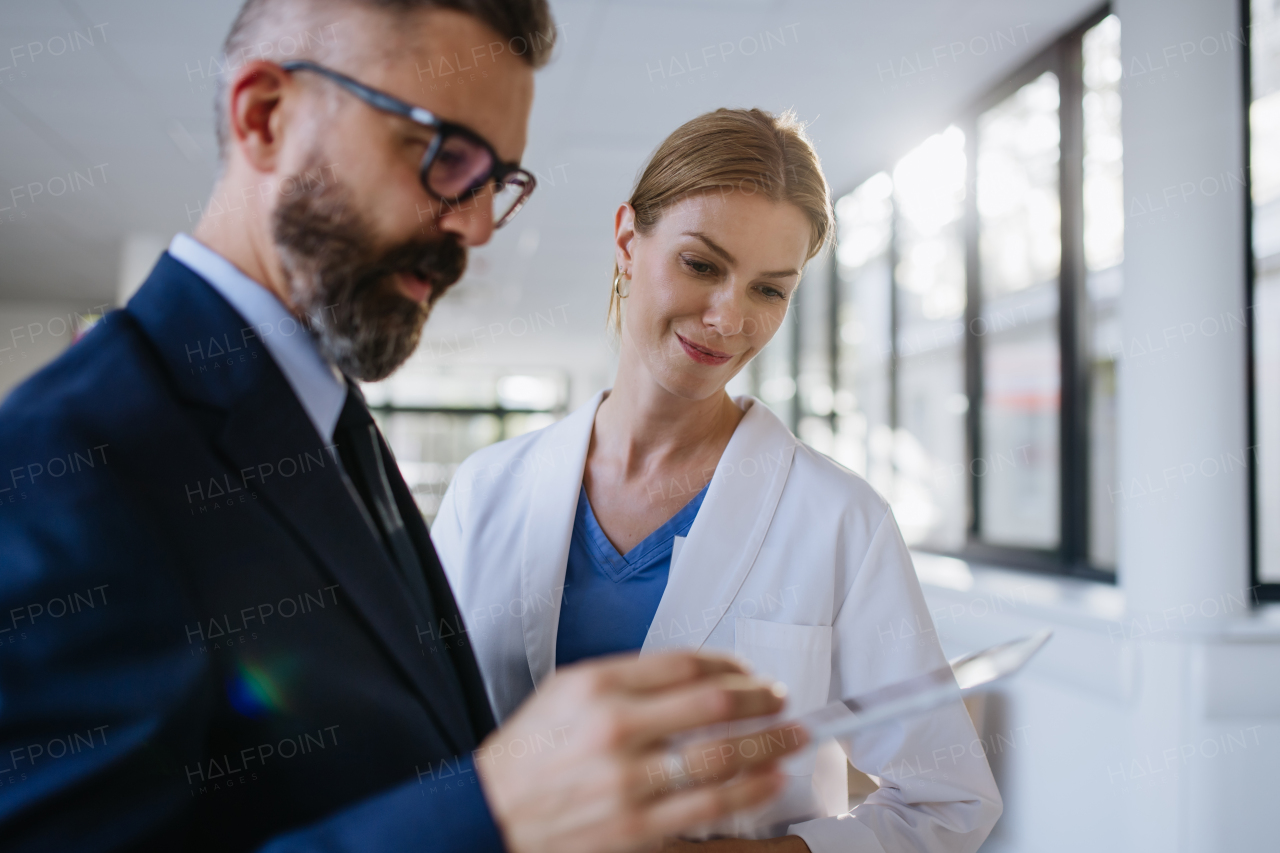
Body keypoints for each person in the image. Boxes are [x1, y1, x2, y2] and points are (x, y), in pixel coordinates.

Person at [0, 2, 809, 851]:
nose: (477, 224)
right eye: (442, 155)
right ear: (265, 117)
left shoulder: (328, 421)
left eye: (496, 179)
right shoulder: (66, 468)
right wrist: (489, 812)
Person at [433, 108, 1004, 852]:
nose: (729, 317)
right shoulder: (487, 491)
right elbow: (420, 739)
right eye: (702, 264)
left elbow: (949, 801)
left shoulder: (839, 520)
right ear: (627, 241)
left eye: (770, 290)